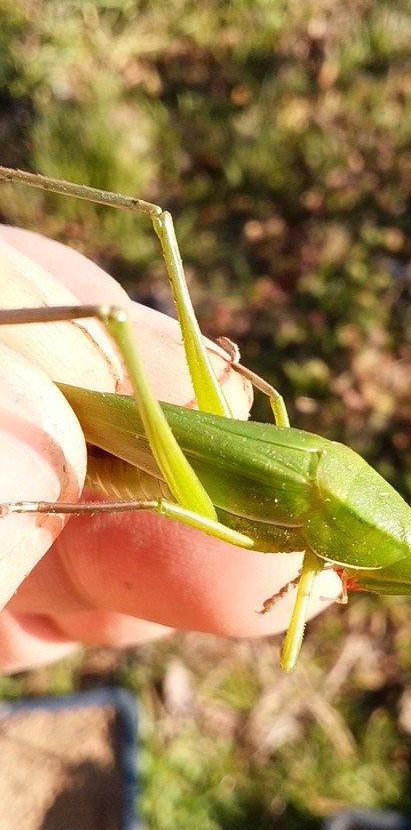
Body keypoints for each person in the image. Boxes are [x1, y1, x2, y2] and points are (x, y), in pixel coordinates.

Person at [0, 225, 339, 673]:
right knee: (157, 235)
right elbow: (288, 658)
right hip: (134, 455)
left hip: (157, 463)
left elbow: (275, 399)